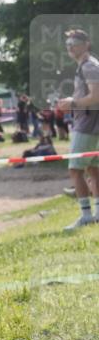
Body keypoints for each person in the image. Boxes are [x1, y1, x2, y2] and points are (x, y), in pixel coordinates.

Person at [55, 28, 99, 231]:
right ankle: (96, 214)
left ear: (86, 44)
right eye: (68, 44)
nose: (70, 47)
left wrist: (72, 103)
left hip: (88, 125)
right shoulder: (86, 66)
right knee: (93, 169)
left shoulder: (89, 66)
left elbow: (96, 97)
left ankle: (86, 216)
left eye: (74, 43)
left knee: (75, 169)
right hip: (90, 123)